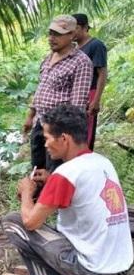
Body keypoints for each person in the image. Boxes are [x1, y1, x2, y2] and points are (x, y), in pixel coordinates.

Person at [4, 105, 132, 275]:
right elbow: (82, 190)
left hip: (88, 269)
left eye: (47, 138)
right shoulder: (101, 161)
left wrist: (27, 192)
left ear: (64, 138)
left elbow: (31, 221)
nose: (45, 144)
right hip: (116, 262)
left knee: (14, 222)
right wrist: (51, 180)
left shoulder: (66, 174)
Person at [23, 15, 93, 173]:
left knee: (56, 170)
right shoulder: (48, 58)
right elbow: (41, 88)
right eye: (50, 33)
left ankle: (54, 196)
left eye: (58, 34)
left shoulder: (81, 62)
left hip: (58, 129)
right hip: (40, 121)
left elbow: (77, 105)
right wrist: (30, 116)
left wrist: (67, 135)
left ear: (72, 35)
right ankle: (38, 196)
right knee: (37, 166)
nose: (52, 38)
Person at [72, 13, 108, 151]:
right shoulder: (74, 49)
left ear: (84, 27)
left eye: (74, 28)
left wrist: (96, 100)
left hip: (90, 92)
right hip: (76, 94)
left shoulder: (96, 45)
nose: (71, 32)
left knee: (87, 130)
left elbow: (102, 73)